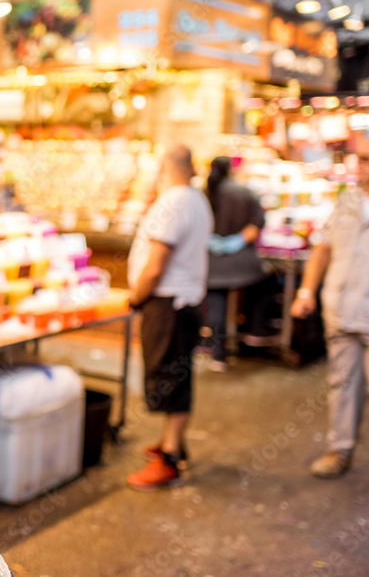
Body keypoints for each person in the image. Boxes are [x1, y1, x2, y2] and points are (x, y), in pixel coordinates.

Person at [291, 134, 369, 479]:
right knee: (342, 384)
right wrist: (306, 291)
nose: (357, 165)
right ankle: (339, 449)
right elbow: (323, 248)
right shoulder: (347, 201)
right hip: (341, 309)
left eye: (365, 159)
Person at [126, 144, 213, 491]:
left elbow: (156, 262)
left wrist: (136, 296)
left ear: (163, 167)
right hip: (185, 302)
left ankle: (171, 459)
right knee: (178, 373)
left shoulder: (175, 201)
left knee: (170, 377)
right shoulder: (197, 199)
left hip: (168, 304)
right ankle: (172, 444)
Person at [203, 156, 269, 372]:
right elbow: (257, 224)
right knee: (265, 284)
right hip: (242, 263)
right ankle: (254, 333)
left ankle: (218, 354)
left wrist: (213, 241)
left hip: (212, 262)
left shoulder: (204, 194)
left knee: (216, 307)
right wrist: (237, 241)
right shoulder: (245, 193)